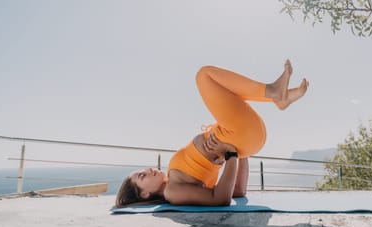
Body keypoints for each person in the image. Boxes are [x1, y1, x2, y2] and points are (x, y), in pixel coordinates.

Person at [115, 60, 309, 207]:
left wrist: (239, 153)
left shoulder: (175, 181)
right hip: (237, 136)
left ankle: (276, 97)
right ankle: (274, 94)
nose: (148, 170)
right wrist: (231, 154)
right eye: (142, 176)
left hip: (244, 139)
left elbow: (238, 191)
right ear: (145, 194)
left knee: (227, 90)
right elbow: (221, 199)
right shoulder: (172, 192)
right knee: (204, 75)